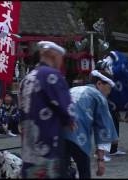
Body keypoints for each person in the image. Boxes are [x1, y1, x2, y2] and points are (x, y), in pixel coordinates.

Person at [18, 41, 76, 178]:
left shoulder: (27, 78)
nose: (61, 61)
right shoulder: (51, 74)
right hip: (48, 139)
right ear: (53, 55)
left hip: (29, 141)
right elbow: (65, 106)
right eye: (61, 56)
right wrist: (71, 120)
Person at [63, 70, 118, 179]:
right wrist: (101, 160)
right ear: (99, 84)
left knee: (62, 170)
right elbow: (103, 129)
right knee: (84, 171)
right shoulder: (98, 96)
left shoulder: (71, 90)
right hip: (78, 134)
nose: (109, 92)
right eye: (109, 88)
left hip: (58, 132)